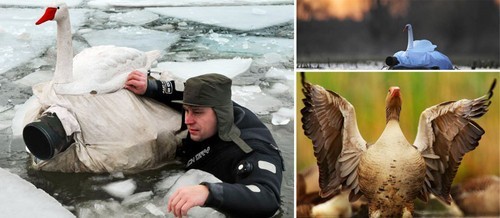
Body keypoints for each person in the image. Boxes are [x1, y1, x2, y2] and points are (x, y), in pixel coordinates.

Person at [124, 71, 284, 217]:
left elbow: (267, 198)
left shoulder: (252, 147)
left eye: (197, 112)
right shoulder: (213, 106)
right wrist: (151, 87)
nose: (188, 120)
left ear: (222, 114)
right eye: (186, 110)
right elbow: (182, 90)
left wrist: (210, 193)